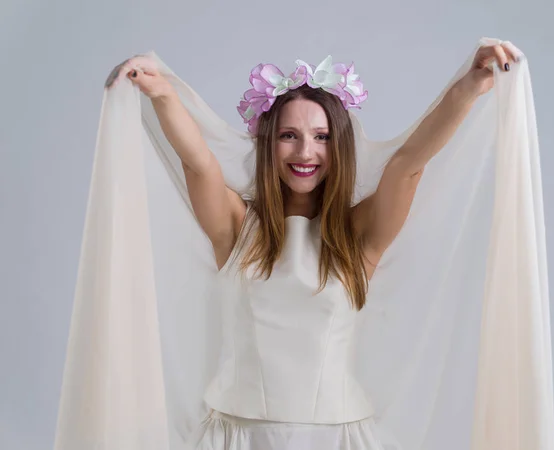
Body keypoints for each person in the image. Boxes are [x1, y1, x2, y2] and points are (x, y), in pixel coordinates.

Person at [100, 42, 520, 449]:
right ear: (268, 142)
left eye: (321, 137)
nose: (305, 151)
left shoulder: (358, 236)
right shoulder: (235, 227)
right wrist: (163, 93)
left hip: (337, 437)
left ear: (340, 145)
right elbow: (197, 161)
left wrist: (467, 89)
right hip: (237, 437)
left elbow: (407, 166)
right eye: (289, 135)